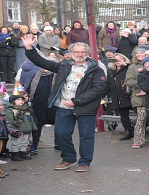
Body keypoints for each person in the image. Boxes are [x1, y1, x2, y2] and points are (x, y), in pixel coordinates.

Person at [22, 34, 106, 171]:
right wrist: (29, 48)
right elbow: (41, 62)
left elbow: (98, 89)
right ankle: (68, 158)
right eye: (77, 52)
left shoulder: (96, 70)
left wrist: (76, 101)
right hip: (63, 106)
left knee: (86, 136)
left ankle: (85, 162)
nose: (80, 54)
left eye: (83, 52)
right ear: (71, 53)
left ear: (87, 53)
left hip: (85, 108)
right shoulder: (64, 66)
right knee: (61, 134)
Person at [27, 67, 56, 154]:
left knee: (58, 126)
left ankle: (59, 144)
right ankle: (34, 144)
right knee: (37, 127)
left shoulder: (57, 76)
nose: (46, 68)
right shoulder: (36, 76)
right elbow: (29, 89)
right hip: (38, 105)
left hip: (54, 106)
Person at [104, 53, 134, 141]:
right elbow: (108, 85)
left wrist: (125, 64)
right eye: (115, 59)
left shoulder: (129, 68)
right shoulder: (111, 71)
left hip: (129, 95)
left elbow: (134, 72)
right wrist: (101, 96)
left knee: (138, 112)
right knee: (123, 115)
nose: (117, 61)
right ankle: (128, 131)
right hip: (117, 96)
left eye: (120, 59)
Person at [125, 45, 149, 148]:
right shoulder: (132, 67)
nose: (139, 54)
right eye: (137, 53)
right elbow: (129, 81)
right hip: (138, 96)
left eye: (141, 52)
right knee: (141, 119)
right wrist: (142, 84)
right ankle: (138, 140)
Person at [5, 94, 37, 161]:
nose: (21, 101)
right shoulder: (11, 110)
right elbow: (10, 120)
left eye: (22, 100)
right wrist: (13, 129)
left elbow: (31, 120)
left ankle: (22, 153)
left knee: (25, 142)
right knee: (16, 142)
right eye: (18, 100)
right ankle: (15, 154)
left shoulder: (26, 110)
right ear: (13, 101)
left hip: (26, 129)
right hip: (17, 130)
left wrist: (34, 128)